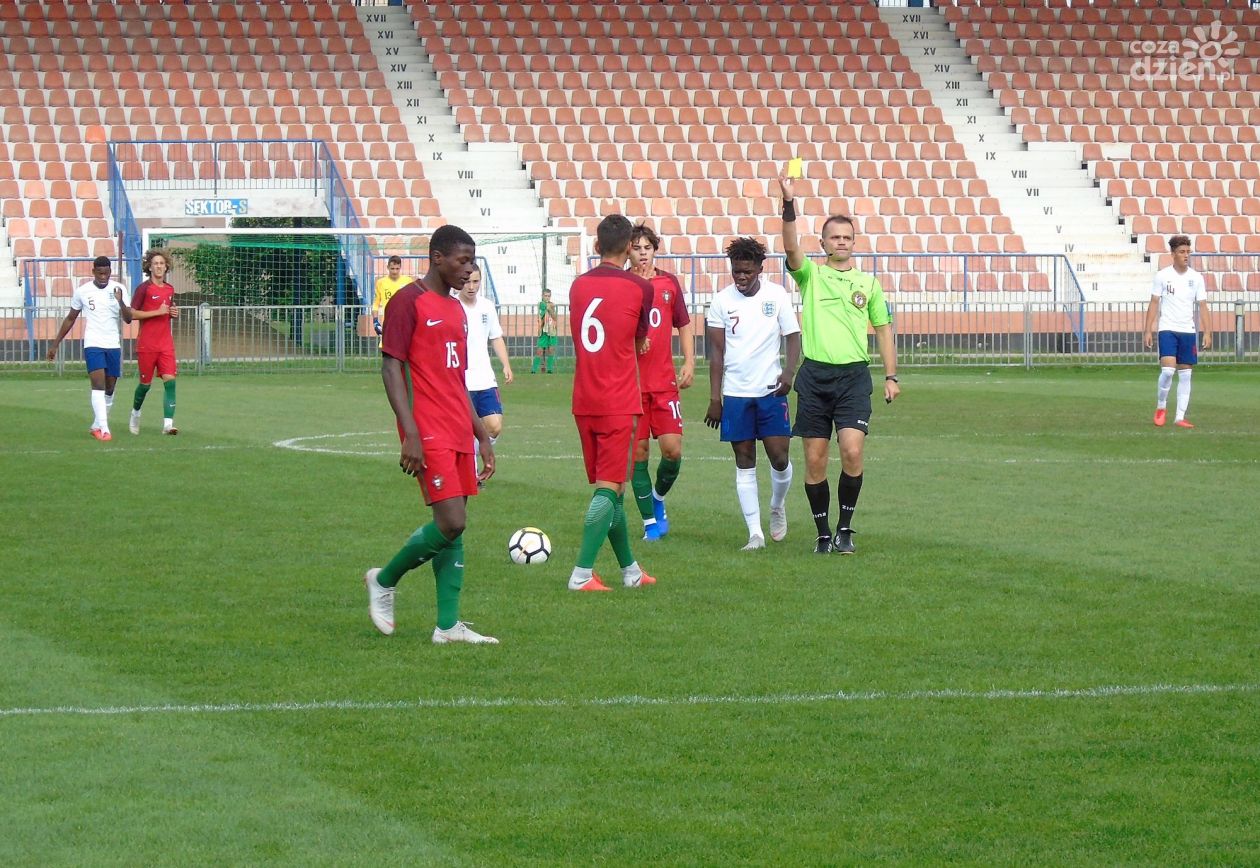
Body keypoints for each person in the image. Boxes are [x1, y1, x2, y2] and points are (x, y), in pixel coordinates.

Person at [363, 225, 499, 644]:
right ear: (437, 258)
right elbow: (390, 367)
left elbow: (456, 379)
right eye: (462, 260)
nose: (468, 269)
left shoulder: (457, 309)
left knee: (455, 526)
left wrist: (481, 434)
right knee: (451, 520)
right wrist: (410, 432)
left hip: (458, 426)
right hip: (428, 429)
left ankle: (448, 626)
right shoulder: (409, 301)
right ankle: (384, 580)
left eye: (472, 261)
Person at [778, 172, 900, 555]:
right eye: (834, 237)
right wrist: (788, 203)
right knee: (815, 459)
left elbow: (883, 329)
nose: (841, 242)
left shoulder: (869, 284)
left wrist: (891, 376)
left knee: (852, 451)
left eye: (847, 237)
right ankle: (822, 533)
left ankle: (845, 528)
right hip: (815, 377)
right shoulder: (811, 275)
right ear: (824, 243)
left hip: (853, 378)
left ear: (854, 242)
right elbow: (791, 246)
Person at [566, 214, 658, 592]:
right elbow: (639, 340)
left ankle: (630, 571)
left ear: (596, 246)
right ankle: (581, 574)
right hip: (617, 399)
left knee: (616, 488)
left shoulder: (577, 286)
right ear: (629, 249)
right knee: (608, 488)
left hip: (584, 398)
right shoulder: (640, 288)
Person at [704, 237, 801, 550]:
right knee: (744, 459)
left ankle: (777, 505)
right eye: (736, 271)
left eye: (747, 271)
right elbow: (716, 353)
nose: (741, 277)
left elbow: (793, 336)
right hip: (736, 394)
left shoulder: (777, 295)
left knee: (779, 457)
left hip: (771, 391)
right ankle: (755, 534)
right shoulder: (721, 301)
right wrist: (715, 398)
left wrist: (789, 373)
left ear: (760, 268)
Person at [628, 223, 694, 540]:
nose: (642, 254)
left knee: (672, 451)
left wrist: (689, 361)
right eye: (636, 248)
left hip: (664, 384)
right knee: (638, 453)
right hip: (631, 386)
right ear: (628, 251)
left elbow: (683, 324)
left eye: (647, 248)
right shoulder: (623, 284)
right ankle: (650, 524)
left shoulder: (668, 283)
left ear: (655, 250)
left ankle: (657, 498)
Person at [46, 256, 134, 442]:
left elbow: (128, 319)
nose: (103, 277)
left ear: (110, 272)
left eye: (106, 273)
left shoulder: (119, 289)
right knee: (98, 385)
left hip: (113, 344)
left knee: (110, 387)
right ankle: (104, 429)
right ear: (93, 272)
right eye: (99, 273)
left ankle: (96, 424)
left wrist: (120, 301)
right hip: (93, 343)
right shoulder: (83, 291)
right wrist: (55, 344)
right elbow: (71, 318)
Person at [1143, 234, 1211, 428]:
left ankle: (1180, 417)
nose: (1186, 255)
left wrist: (1207, 332)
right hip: (1167, 328)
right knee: (1167, 371)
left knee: (1186, 374)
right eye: (1182, 252)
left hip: (1188, 330)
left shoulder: (1196, 278)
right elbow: (1154, 303)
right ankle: (1161, 406)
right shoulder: (1162, 276)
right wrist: (1148, 330)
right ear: (1173, 254)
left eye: (1188, 252)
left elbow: (1203, 305)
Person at [457, 263, 513, 447]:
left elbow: (495, 337)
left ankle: (471, 458)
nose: (471, 286)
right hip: (461, 379)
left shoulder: (487, 306)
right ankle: (468, 462)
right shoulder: (452, 306)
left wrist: (506, 365)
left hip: (485, 378)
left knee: (494, 426)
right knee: (462, 429)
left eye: (476, 282)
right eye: (467, 282)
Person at [128, 248, 179, 436]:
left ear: (166, 267)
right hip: (147, 344)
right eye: (155, 263)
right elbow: (132, 313)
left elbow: (167, 311)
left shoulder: (170, 289)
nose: (158, 266)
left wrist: (172, 313)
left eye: (161, 263)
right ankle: (135, 414)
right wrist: (157, 312)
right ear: (149, 267)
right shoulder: (144, 289)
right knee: (145, 385)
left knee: (170, 381)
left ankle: (168, 425)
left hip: (165, 344)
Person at [372, 254, 411, 344]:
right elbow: (376, 304)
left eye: (397, 269)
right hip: (388, 323)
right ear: (388, 267)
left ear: (400, 268)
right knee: (387, 350)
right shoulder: (381, 282)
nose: (395, 271)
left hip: (405, 323)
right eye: (392, 268)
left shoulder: (408, 281)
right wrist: (375, 321)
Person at [531, 287, 558, 373]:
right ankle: (533, 370)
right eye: (545, 296)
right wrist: (550, 307)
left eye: (549, 296)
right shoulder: (540, 304)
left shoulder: (551, 305)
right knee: (539, 351)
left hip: (551, 331)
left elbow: (554, 317)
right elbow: (544, 308)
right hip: (543, 331)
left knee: (551, 350)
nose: (547, 297)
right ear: (542, 296)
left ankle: (549, 369)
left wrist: (550, 309)